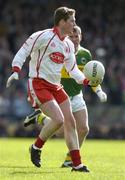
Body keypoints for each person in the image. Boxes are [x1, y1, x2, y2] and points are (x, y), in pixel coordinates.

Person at [6, 7, 97, 173]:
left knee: (70, 123)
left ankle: (77, 165)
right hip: (39, 83)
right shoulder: (43, 36)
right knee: (59, 120)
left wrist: (85, 80)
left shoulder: (68, 44)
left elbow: (72, 69)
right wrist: (16, 69)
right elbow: (24, 50)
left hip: (56, 86)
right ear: (62, 22)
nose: (74, 24)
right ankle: (36, 147)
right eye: (72, 21)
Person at [23, 25, 107, 167]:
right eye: (71, 36)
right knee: (62, 131)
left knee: (84, 129)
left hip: (76, 95)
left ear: (81, 37)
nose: (74, 39)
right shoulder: (60, 50)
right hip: (59, 96)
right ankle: (40, 118)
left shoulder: (85, 55)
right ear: (67, 36)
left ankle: (69, 160)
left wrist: (98, 90)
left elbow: (91, 77)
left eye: (77, 36)